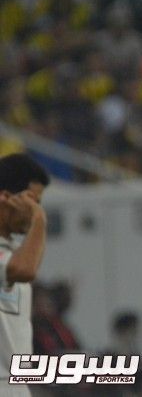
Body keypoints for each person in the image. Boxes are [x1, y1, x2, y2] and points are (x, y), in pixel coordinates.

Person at [0, 153, 50, 396]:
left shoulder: (11, 251)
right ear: (6, 197)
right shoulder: (15, 261)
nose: (34, 211)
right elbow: (25, 270)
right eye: (32, 202)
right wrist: (39, 220)